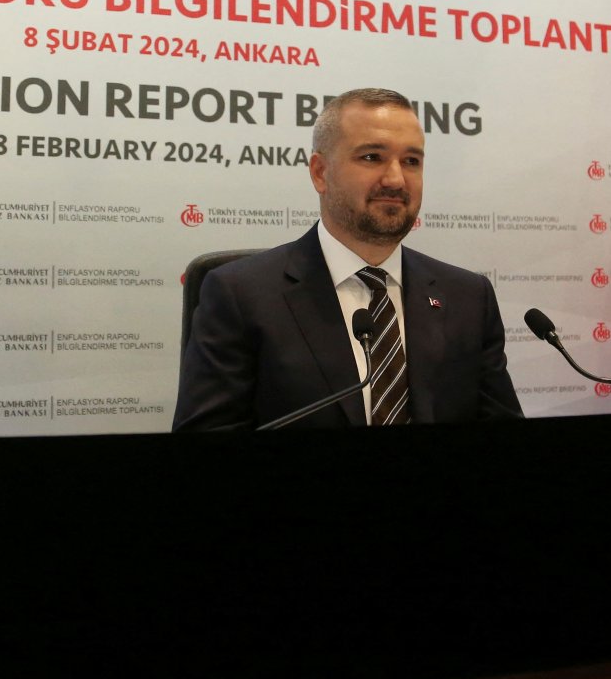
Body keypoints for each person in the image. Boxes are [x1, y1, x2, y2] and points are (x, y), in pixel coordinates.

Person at [173, 87, 522, 430]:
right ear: (320, 173)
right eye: (372, 157)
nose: (396, 179)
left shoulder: (468, 297)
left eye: (411, 161)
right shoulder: (240, 295)